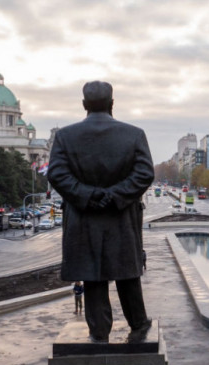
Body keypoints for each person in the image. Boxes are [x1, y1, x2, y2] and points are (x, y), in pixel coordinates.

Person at [48, 81, 155, 343]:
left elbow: (57, 174)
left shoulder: (65, 136)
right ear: (112, 104)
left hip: (83, 219)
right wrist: (114, 196)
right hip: (122, 218)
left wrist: (88, 195)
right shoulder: (134, 134)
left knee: (92, 275)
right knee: (127, 274)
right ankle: (138, 324)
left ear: (84, 105)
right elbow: (144, 174)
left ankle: (99, 332)